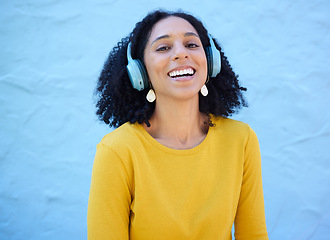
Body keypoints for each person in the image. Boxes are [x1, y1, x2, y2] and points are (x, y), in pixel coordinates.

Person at [88, 10, 268, 240]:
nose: (181, 54)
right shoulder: (118, 150)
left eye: (191, 44)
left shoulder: (241, 139)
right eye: (163, 48)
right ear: (140, 72)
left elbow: (254, 235)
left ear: (210, 60)